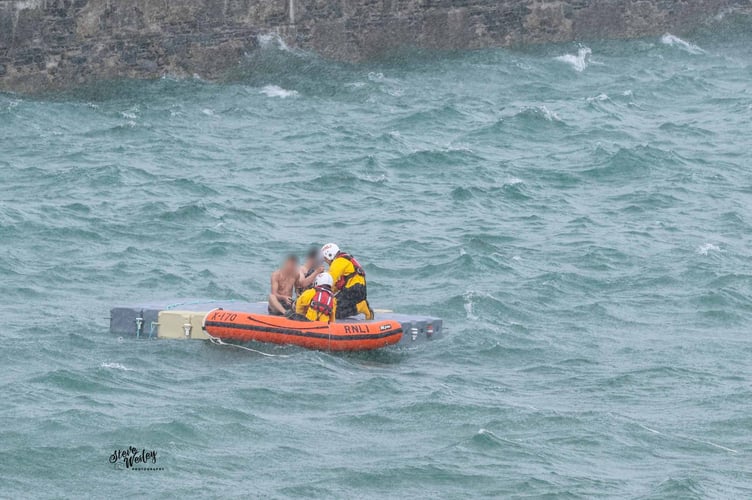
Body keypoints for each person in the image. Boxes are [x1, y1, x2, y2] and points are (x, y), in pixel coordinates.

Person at [320, 243, 374, 320]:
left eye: (325, 259)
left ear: (330, 255)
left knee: (334, 311)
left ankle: (361, 307)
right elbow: (335, 284)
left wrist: (319, 293)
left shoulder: (338, 262)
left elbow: (329, 281)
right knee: (336, 304)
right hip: (358, 289)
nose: (325, 261)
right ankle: (361, 305)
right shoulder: (343, 260)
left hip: (353, 289)